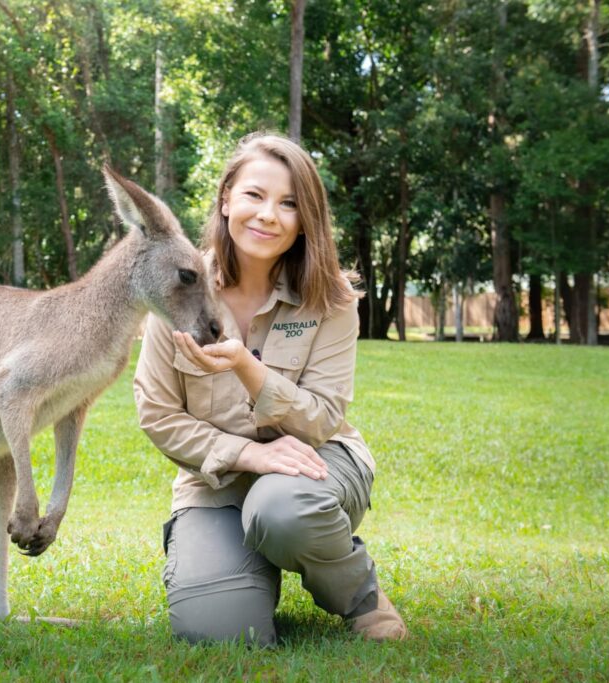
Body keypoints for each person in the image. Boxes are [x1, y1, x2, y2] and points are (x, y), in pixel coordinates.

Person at [133, 132, 407, 646]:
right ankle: (246, 562)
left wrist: (246, 367)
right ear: (225, 199)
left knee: (281, 510)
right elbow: (158, 415)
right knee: (222, 635)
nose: (268, 215)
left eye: (289, 204)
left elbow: (323, 418)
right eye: (254, 196)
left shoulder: (332, 299)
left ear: (306, 220)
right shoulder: (174, 289)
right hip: (217, 488)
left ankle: (361, 598)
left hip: (317, 467)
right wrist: (247, 456)